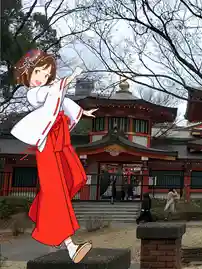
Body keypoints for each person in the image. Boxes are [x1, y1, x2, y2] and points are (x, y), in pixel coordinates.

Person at [10, 49, 98, 263]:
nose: (42, 76)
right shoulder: (34, 93)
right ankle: (71, 247)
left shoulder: (52, 88)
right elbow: (48, 96)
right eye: (38, 71)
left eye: (46, 72)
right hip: (47, 143)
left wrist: (81, 112)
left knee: (77, 176)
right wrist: (67, 80)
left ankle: (41, 211)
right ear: (28, 75)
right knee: (56, 191)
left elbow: (62, 101)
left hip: (61, 138)